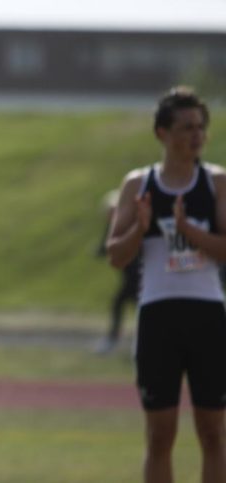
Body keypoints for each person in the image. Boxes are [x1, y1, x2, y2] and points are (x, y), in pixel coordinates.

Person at [106, 86, 226, 483]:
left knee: (213, 433)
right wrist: (140, 229)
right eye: (186, 127)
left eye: (201, 127)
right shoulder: (138, 185)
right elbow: (116, 255)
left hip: (208, 317)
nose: (197, 135)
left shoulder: (216, 182)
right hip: (159, 317)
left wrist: (190, 230)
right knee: (160, 436)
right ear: (162, 133)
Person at [94, 189, 140, 354]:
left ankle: (114, 339)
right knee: (124, 304)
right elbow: (105, 248)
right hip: (130, 276)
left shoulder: (129, 226)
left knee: (122, 303)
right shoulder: (113, 227)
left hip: (137, 276)